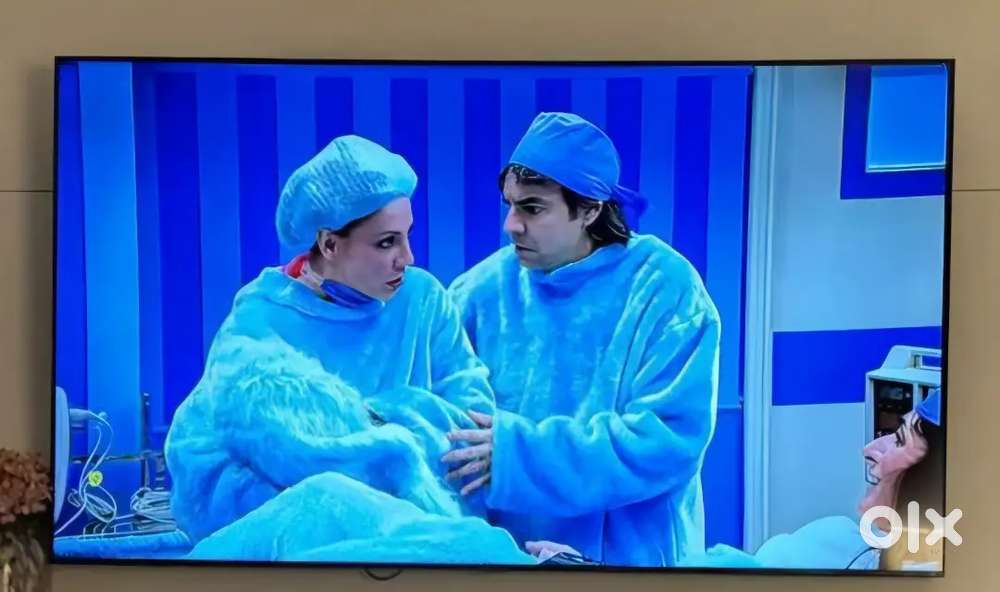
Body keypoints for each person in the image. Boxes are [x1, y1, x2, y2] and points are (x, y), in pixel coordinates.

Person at [164, 135, 496, 544]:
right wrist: (342, 493)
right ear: (329, 244)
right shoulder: (259, 320)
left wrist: (369, 424)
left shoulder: (423, 298)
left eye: (407, 236)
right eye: (387, 242)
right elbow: (203, 471)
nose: (407, 258)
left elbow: (472, 428)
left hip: (423, 546)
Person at [446, 112, 722, 567]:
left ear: (591, 209)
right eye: (509, 205)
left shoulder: (665, 289)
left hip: (630, 564)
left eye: (532, 208)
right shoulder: (478, 292)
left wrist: (520, 457)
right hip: (508, 562)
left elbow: (667, 440)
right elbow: (447, 422)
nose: (511, 225)